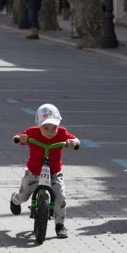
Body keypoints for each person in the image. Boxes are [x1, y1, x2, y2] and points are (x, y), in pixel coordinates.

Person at [8, 103, 80, 240]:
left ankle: (60, 225)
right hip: (34, 173)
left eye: (54, 128)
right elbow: (15, 139)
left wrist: (73, 142)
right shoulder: (32, 132)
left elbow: (76, 140)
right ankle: (14, 200)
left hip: (54, 173)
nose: (50, 132)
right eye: (45, 128)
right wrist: (20, 139)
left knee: (60, 196)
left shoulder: (62, 133)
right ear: (39, 125)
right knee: (24, 195)